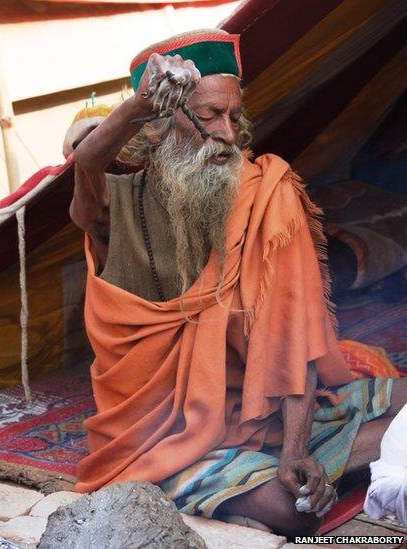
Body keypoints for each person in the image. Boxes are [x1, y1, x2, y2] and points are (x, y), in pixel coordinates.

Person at [69, 30, 407, 537]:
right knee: (292, 513)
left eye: (234, 116)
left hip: (262, 417)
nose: (227, 134)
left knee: (398, 396)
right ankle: (280, 479)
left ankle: (294, 464)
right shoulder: (118, 205)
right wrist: (137, 103)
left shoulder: (263, 192)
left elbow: (294, 338)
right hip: (163, 440)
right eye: (207, 117)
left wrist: (294, 450)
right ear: (158, 124)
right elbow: (89, 161)